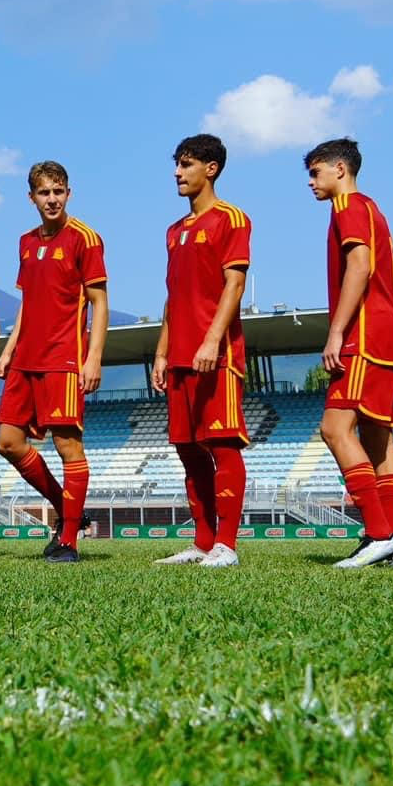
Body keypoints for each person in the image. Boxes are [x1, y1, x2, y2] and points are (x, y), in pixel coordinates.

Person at [0, 161, 107, 564]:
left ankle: (69, 540)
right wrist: (8, 350)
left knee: (67, 446)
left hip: (64, 357)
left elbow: (99, 302)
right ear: (31, 198)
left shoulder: (85, 238)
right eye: (44, 192)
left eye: (59, 191)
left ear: (69, 194)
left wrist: (93, 358)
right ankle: (67, 509)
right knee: (8, 442)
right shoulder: (25, 242)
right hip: (26, 359)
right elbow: (28, 301)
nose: (52, 199)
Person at [306, 139, 393, 569]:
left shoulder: (348, 206)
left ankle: (380, 534)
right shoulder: (371, 207)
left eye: (316, 172)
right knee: (377, 436)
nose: (311, 182)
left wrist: (336, 332)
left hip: (366, 333)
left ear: (340, 169)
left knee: (334, 428)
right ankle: (392, 544)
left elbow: (360, 267)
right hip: (390, 330)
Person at [151, 134, 251, 569]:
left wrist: (212, 339)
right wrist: (161, 352)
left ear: (211, 169)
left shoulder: (232, 218)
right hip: (178, 356)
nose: (177, 172)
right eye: (177, 164)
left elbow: (235, 284)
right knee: (188, 449)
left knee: (222, 445)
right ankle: (203, 541)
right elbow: (172, 297)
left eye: (186, 164)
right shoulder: (174, 231)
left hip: (218, 354)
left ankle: (227, 545)